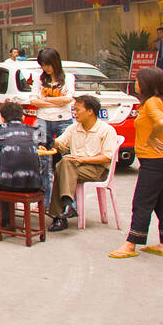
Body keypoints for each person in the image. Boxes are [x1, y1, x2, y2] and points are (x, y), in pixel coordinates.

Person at [110, 65, 163, 259]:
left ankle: (131, 244)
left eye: (139, 81)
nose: (136, 84)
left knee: (142, 202)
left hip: (155, 162)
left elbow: (161, 123)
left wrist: (151, 138)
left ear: (148, 84)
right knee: (162, 203)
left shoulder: (152, 103)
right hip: (162, 161)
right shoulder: (160, 102)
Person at [47, 94, 119, 231]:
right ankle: (67, 206)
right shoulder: (73, 128)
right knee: (64, 165)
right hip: (74, 167)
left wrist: (83, 159)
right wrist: (49, 141)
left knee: (62, 166)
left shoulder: (106, 130)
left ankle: (59, 216)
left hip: (97, 169)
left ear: (90, 111)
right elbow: (61, 144)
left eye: (77, 110)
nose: (74, 113)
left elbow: (107, 157)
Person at [0, 100, 43, 227]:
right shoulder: (34, 130)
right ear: (22, 117)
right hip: (34, 184)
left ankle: (6, 220)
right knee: (5, 173)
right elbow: (50, 143)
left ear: (2, 118)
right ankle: (7, 219)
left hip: (6, 185)